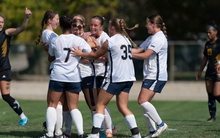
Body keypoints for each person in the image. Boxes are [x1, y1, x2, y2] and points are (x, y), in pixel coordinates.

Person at [71, 18, 141, 138]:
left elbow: (95, 55)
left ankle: (94, 134)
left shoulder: (111, 41)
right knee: (123, 107)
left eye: (109, 26)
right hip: (128, 77)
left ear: (112, 28)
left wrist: (80, 53)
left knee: (99, 104)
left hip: (116, 78)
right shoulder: (126, 40)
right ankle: (136, 134)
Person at [38, 15, 91, 138]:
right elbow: (89, 52)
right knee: (73, 107)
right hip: (74, 77)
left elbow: (51, 57)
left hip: (58, 76)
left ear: (60, 27)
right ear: (72, 26)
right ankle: (81, 134)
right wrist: (79, 55)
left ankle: (50, 134)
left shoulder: (56, 40)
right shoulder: (78, 40)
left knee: (52, 105)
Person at [132, 14, 168, 138]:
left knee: (141, 100)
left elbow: (145, 55)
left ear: (154, 24)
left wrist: (128, 55)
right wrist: (122, 49)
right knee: (144, 104)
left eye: (147, 23)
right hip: (150, 75)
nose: (146, 25)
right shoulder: (151, 37)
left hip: (156, 75)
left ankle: (161, 124)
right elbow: (137, 50)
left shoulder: (158, 38)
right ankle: (153, 131)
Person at [0, 7, 31, 126]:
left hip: (4, 68)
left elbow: (22, 29)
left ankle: (23, 116)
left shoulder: (6, 33)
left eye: (2, 22)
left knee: (6, 96)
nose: (0, 24)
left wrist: (26, 18)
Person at [35, 10, 64, 137]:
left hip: (58, 70)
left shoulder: (51, 34)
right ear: (49, 20)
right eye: (56, 19)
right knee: (55, 103)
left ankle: (55, 129)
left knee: (55, 103)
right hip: (58, 69)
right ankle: (57, 130)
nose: (58, 21)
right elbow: (54, 54)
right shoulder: (49, 34)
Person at [89, 15, 116, 138]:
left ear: (101, 26)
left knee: (101, 104)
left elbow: (107, 59)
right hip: (96, 73)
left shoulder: (105, 38)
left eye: (96, 25)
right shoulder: (93, 36)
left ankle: (109, 130)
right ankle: (106, 129)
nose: (93, 27)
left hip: (103, 73)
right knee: (98, 103)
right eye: (91, 25)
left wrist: (94, 53)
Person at [197, 21, 220, 122]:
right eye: (207, 32)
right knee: (210, 95)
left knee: (216, 94)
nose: (208, 34)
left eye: (210, 32)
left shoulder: (219, 43)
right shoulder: (207, 44)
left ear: (216, 32)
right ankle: (212, 116)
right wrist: (200, 71)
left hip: (218, 72)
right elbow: (205, 59)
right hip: (209, 72)